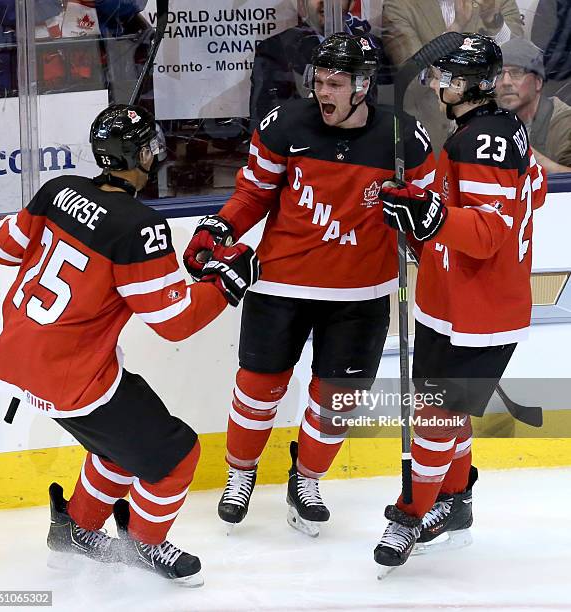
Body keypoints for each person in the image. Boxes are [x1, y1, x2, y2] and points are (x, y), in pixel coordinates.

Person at [0, 104, 260, 584]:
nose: (155, 156)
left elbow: (3, 247)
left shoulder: (56, 190)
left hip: (22, 359)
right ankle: (144, 546)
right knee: (177, 457)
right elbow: (174, 322)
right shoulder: (139, 226)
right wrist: (226, 283)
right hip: (75, 377)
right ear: (136, 155)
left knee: (118, 449)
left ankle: (74, 530)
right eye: (150, 148)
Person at [183, 32, 436, 537]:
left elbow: (427, 220)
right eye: (318, 81)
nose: (324, 91)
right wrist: (220, 228)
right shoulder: (286, 124)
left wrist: (423, 233)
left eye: (336, 83)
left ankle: (307, 478)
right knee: (257, 389)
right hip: (280, 283)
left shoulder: (403, 138)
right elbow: (253, 194)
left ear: (363, 86)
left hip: (360, 294)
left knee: (336, 398)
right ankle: (241, 473)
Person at [372, 33, 547, 572]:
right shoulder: (496, 130)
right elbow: (533, 189)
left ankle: (411, 515)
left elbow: (490, 232)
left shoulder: (482, 139)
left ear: (469, 83)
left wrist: (432, 217)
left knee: (434, 419)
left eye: (443, 75)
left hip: (481, 312)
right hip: (450, 301)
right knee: (443, 414)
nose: (434, 83)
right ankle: (455, 504)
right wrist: (424, 213)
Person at [381, 0, 524, 153]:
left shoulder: (497, 2)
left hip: (494, 138)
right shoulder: (399, 5)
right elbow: (411, 81)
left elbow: (521, 61)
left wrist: (493, 19)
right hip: (430, 139)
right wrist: (456, 28)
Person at [249, 0, 375, 131]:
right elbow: (266, 124)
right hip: (304, 146)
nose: (326, 2)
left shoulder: (373, 46)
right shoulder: (275, 48)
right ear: (303, 5)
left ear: (352, 3)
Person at [496, 38, 571, 173]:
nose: (505, 82)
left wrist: (528, 154)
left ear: (538, 82)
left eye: (517, 73)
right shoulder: (488, 120)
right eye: (500, 74)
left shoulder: (565, 124)